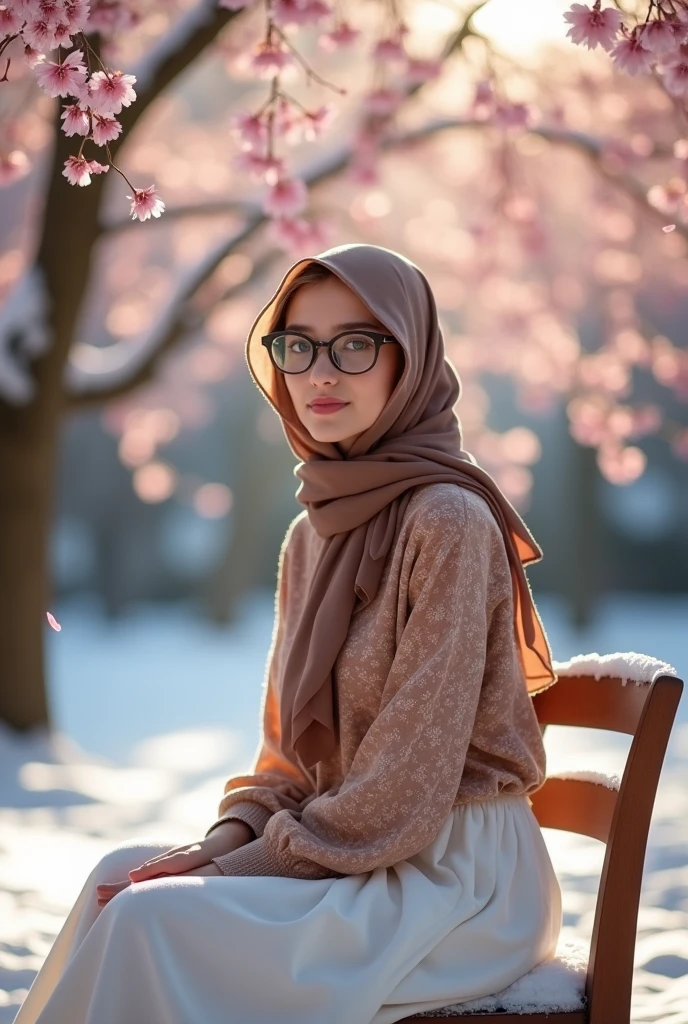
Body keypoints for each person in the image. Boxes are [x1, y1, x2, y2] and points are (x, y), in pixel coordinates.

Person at [13, 243, 562, 1024]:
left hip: (456, 884)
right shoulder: (314, 536)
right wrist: (225, 837)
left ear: (409, 358)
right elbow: (286, 755)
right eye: (298, 346)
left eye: (356, 344)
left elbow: (408, 782)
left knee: (149, 917)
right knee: (121, 878)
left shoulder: (451, 520)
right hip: (348, 852)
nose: (321, 374)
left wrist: (251, 864)